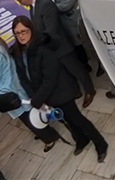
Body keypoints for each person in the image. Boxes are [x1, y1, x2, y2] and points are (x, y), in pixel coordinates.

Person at [11, 17, 108, 162]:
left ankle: (100, 144)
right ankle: (81, 140)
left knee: (76, 118)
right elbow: (22, 77)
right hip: (43, 95)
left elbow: (50, 78)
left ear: (31, 29)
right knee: (66, 118)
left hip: (60, 90)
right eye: (17, 33)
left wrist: (38, 99)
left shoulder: (43, 48)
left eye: (24, 31)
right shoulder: (17, 52)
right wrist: (35, 97)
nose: (21, 36)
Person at [9, 0, 95, 108]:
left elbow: (50, 30)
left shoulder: (45, 4)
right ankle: (75, 91)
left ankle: (90, 90)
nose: (20, 3)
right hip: (51, 47)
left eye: (20, 0)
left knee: (76, 69)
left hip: (61, 46)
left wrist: (35, 41)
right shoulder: (34, 5)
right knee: (66, 72)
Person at [0, 39, 62, 153]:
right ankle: (43, 128)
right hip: (14, 83)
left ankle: (49, 137)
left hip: (9, 91)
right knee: (30, 111)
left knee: (27, 116)